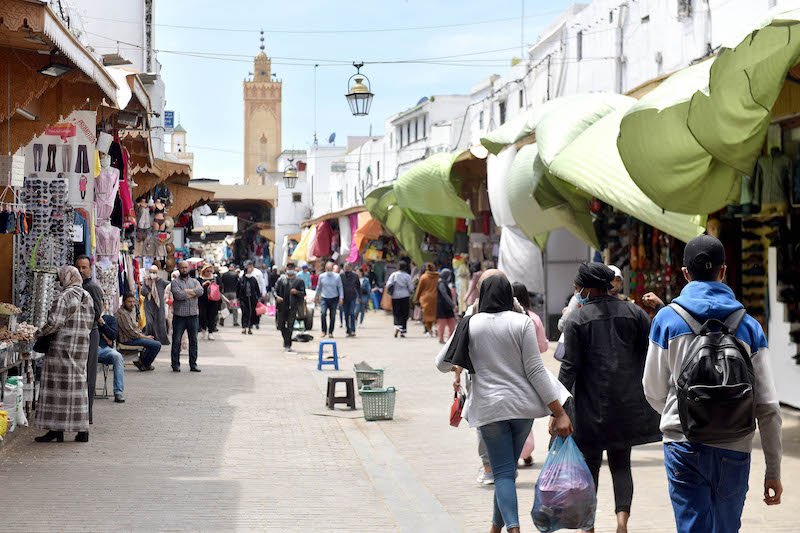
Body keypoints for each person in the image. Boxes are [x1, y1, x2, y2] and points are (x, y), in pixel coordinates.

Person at [643, 235, 783, 533]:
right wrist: (773, 470)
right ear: (723, 271)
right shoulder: (750, 326)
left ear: (684, 273)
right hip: (735, 447)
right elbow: (768, 407)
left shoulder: (667, 320)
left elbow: (652, 389)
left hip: (683, 445)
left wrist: (681, 414)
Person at [436, 272, 572, 533]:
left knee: (503, 474)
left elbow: (441, 364)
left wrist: (465, 319)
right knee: (506, 471)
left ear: (481, 294)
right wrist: (559, 411)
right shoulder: (522, 323)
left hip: (490, 410)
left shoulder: (472, 323)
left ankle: (513, 528)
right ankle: (496, 527)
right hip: (522, 409)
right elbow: (535, 370)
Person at [559, 263, 662, 533]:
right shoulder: (634, 313)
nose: (577, 291)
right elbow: (650, 352)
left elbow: (569, 367)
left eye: (578, 287)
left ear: (589, 288)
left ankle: (589, 526)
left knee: (589, 468)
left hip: (590, 407)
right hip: (626, 405)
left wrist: (557, 410)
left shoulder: (577, 319)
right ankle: (621, 522)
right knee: (621, 465)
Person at [33, 266, 95, 443]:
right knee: (78, 388)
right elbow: (91, 321)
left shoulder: (64, 296)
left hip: (61, 349)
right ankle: (82, 430)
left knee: (57, 389)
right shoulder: (86, 296)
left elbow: (54, 322)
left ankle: (55, 429)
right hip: (81, 348)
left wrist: (38, 333)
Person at [74, 255, 102, 425]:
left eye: (84, 267)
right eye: (78, 267)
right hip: (80, 335)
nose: (81, 270)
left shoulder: (92, 287)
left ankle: (88, 414)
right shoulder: (76, 287)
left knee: (89, 376)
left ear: (90, 269)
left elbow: (97, 313)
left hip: (90, 334)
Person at [169, 261, 204, 372]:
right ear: (178, 269)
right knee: (176, 341)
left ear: (188, 268)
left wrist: (187, 292)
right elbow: (178, 295)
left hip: (193, 315)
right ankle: (175, 365)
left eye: (186, 268)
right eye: (182, 268)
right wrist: (192, 293)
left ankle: (193, 364)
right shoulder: (175, 282)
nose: (184, 270)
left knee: (193, 341)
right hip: (179, 316)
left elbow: (200, 291)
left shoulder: (194, 281)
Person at [116, 293, 162, 372]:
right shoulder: (123, 314)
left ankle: (142, 362)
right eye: (129, 302)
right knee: (156, 345)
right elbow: (131, 332)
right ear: (124, 302)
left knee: (152, 341)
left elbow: (134, 328)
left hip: (132, 337)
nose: (132, 304)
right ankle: (145, 364)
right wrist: (144, 337)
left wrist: (143, 335)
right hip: (128, 340)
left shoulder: (129, 311)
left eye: (133, 302)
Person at [274, 262, 306, 353]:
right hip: (281, 307)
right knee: (280, 325)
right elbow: (275, 290)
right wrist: (277, 297)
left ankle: (288, 344)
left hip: (293, 307)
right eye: (289, 268)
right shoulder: (281, 280)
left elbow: (303, 293)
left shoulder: (299, 281)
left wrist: (297, 292)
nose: (290, 270)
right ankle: (286, 340)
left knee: (290, 326)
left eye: (292, 268)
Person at [98, 314, 126, 403]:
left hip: (104, 350)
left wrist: (102, 323)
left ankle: (118, 392)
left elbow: (113, 335)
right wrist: (105, 337)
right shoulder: (87, 316)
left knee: (117, 356)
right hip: (89, 349)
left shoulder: (109, 319)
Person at [141, 264, 170, 344]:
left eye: (154, 272)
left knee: (160, 321)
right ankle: (149, 338)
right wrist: (147, 285)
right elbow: (143, 292)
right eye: (151, 272)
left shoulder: (161, 281)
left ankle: (161, 339)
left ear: (157, 273)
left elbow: (170, 285)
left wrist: (167, 295)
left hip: (158, 305)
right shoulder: (146, 281)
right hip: (149, 304)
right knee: (149, 322)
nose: (152, 273)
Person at [386, 260, 414, 338]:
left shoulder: (393, 275)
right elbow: (411, 287)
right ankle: (403, 330)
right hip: (405, 296)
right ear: (405, 267)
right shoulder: (407, 276)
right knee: (404, 313)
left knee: (396, 312)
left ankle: (397, 326)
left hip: (395, 296)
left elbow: (388, 284)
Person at [316, 261, 343, 338]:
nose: (329, 270)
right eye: (327, 269)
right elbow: (319, 287)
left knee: (333, 316)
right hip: (324, 298)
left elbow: (340, 287)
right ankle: (324, 331)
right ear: (325, 269)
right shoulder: (322, 276)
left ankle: (331, 332)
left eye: (330, 269)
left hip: (334, 298)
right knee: (323, 313)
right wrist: (316, 296)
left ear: (332, 268)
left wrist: (341, 297)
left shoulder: (337, 276)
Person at [415, 263, 440, 337]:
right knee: (435, 314)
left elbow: (419, 289)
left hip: (425, 298)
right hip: (436, 297)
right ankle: (436, 328)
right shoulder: (438, 276)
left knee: (426, 315)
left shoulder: (423, 277)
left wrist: (416, 298)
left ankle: (429, 330)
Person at [197, 265, 220, 341]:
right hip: (202, 301)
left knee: (212, 316)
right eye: (207, 271)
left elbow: (221, 287)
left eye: (210, 271)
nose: (209, 273)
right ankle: (203, 330)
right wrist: (203, 284)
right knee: (202, 316)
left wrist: (214, 285)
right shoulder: (200, 279)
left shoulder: (215, 278)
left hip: (213, 301)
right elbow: (196, 289)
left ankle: (210, 332)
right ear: (204, 271)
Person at [237, 263, 261, 335]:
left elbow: (257, 289)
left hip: (252, 299)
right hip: (243, 299)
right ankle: (244, 327)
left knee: (251, 313)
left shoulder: (253, 279)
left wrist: (258, 297)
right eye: (249, 268)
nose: (250, 269)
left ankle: (250, 327)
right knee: (245, 312)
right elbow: (237, 289)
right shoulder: (241, 279)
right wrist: (238, 298)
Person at [435, 268, 458, 344]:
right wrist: (452, 304)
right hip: (442, 306)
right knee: (442, 323)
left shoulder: (445, 283)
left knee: (452, 322)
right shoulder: (441, 283)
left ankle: (450, 339)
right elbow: (445, 294)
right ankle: (441, 338)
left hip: (447, 306)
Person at [340, 262, 361, 337]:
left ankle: (353, 330)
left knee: (352, 313)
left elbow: (358, 287)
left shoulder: (355, 276)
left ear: (351, 268)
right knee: (346, 314)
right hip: (344, 298)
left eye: (348, 267)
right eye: (345, 267)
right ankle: (348, 329)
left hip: (352, 297)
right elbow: (338, 287)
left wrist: (359, 297)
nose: (347, 268)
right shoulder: (341, 276)